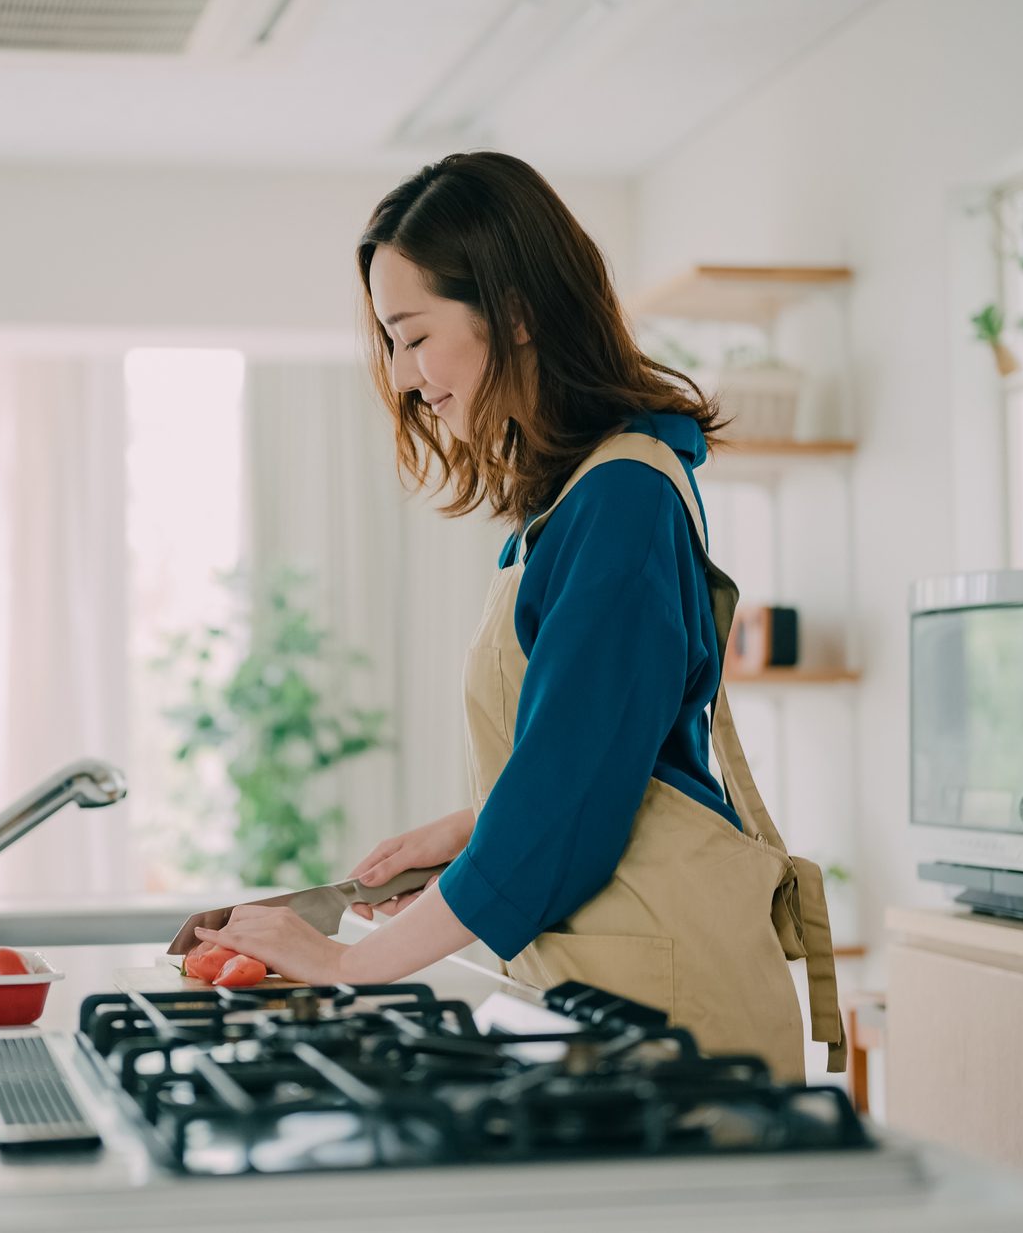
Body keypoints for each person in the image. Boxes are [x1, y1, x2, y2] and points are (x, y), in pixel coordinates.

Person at [194, 151, 843, 1078]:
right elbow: (608, 757)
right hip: (614, 1002)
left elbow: (564, 812)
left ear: (520, 312)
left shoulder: (619, 500)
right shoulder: (585, 500)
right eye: (389, 341)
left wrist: (346, 963)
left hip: (671, 1023)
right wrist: (478, 823)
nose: (405, 373)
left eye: (413, 334)